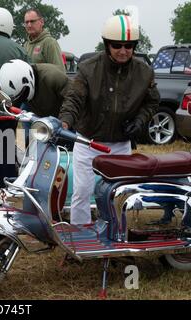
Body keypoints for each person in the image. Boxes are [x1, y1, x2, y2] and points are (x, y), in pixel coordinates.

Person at [58, 15, 160, 226]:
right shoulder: (88, 69)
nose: (123, 51)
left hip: (120, 144)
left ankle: (115, 241)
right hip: (88, 142)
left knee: (118, 195)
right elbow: (74, 99)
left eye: (129, 45)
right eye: (117, 45)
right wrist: (64, 123)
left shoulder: (145, 72)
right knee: (81, 193)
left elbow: (152, 103)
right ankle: (80, 240)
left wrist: (140, 121)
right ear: (106, 44)